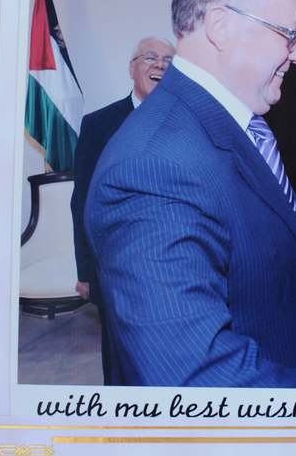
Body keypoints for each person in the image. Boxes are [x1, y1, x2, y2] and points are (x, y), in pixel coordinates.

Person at [85, 0, 296, 388]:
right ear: (220, 25)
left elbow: (286, 249)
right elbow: (196, 377)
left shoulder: (238, 123)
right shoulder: (151, 169)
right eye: (289, 34)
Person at [70, 36, 175, 384]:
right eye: (150, 58)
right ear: (132, 68)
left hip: (174, 265)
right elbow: (82, 200)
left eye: (168, 61)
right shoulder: (98, 124)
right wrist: (86, 270)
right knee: (120, 364)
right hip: (115, 268)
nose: (160, 65)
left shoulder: (187, 121)